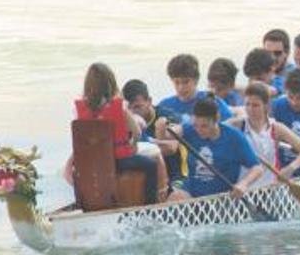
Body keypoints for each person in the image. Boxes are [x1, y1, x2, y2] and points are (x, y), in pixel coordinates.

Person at [72, 63, 159, 204]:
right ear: (111, 83)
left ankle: (81, 205)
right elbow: (136, 133)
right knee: (151, 165)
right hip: (119, 161)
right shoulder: (120, 107)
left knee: (76, 172)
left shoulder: (77, 109)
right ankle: (150, 205)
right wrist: (132, 144)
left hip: (91, 163)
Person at [162, 97, 262, 200]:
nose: (199, 130)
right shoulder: (190, 129)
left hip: (221, 197)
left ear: (217, 119)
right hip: (191, 192)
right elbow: (167, 135)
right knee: (176, 196)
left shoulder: (234, 137)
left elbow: (257, 168)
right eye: (196, 125)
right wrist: (162, 127)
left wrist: (243, 184)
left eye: (204, 126)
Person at [229, 81, 300, 187]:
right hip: (243, 189)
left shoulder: (276, 128)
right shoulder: (237, 125)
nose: (250, 109)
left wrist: (290, 168)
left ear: (266, 106)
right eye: (247, 104)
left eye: (255, 105)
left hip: (269, 191)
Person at [156, 54, 232, 123]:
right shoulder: (165, 106)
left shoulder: (212, 101)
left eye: (186, 82)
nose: (181, 87)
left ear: (196, 80)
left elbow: (229, 126)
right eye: (177, 82)